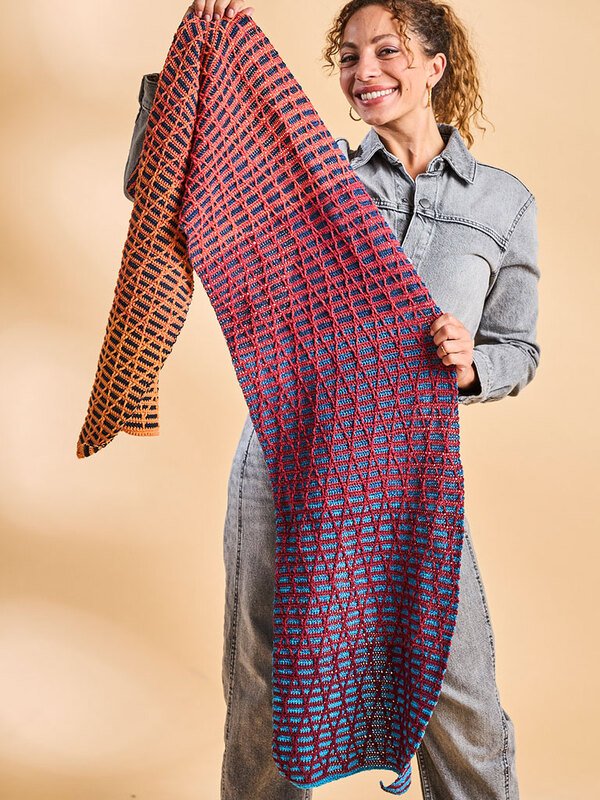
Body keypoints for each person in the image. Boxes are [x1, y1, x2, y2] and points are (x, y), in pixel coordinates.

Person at [126, 2, 541, 797]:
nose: (365, 72)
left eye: (387, 52)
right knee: (265, 691)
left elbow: (518, 350)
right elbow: (165, 189)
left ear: (435, 66)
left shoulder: (502, 204)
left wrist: (468, 366)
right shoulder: (313, 179)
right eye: (349, 57)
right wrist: (187, 73)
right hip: (286, 461)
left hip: (411, 474)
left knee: (463, 703)